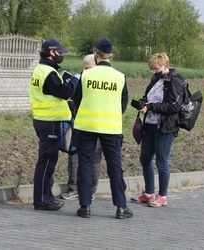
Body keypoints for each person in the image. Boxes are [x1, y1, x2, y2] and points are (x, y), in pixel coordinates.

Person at [73, 38, 133, 219]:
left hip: (86, 126)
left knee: (84, 165)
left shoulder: (86, 75)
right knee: (115, 167)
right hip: (111, 129)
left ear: (95, 53)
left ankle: (85, 207)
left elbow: (77, 100)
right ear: (111, 56)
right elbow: (123, 104)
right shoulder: (119, 77)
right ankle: (121, 208)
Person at [29, 38, 77, 211]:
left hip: (43, 120)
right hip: (50, 123)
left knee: (47, 161)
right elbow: (64, 93)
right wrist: (73, 82)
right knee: (47, 161)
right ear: (51, 52)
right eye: (59, 52)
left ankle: (45, 197)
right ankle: (42, 201)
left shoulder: (40, 69)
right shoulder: (48, 72)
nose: (61, 55)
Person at [131, 53, 184, 208]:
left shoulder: (175, 81)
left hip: (165, 127)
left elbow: (174, 106)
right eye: (152, 69)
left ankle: (162, 196)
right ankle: (148, 193)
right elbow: (149, 97)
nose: (154, 72)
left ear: (165, 66)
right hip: (150, 124)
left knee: (161, 161)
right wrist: (142, 103)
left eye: (156, 68)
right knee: (145, 158)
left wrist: (151, 107)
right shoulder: (155, 79)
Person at [60, 54, 103, 201]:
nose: (86, 70)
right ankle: (73, 188)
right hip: (78, 123)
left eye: (89, 68)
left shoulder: (101, 80)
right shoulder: (78, 78)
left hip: (97, 124)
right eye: (84, 67)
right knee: (74, 154)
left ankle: (91, 190)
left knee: (95, 158)